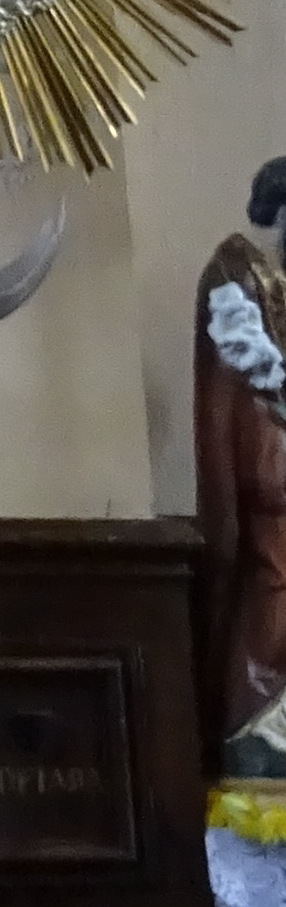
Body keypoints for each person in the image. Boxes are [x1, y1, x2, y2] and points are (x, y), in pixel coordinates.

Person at [198, 158, 286, 773]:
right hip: (271, 489)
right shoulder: (238, 273)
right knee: (272, 602)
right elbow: (245, 380)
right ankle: (259, 731)